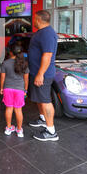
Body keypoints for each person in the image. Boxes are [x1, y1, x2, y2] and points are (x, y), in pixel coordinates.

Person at [27, 10, 59, 142]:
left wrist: (40, 74)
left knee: (45, 100)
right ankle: (42, 119)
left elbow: (47, 55)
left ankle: (51, 131)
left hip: (43, 75)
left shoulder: (47, 34)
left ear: (39, 20)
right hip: (36, 73)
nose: (33, 21)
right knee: (40, 98)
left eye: (35, 19)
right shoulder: (42, 32)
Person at [0, 44, 29, 138]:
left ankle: (8, 128)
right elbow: (26, 79)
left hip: (8, 88)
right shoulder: (24, 63)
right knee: (18, 110)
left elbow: (2, 78)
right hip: (19, 89)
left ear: (10, 52)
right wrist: (25, 90)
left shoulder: (5, 63)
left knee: (9, 108)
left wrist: (1, 88)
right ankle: (19, 130)